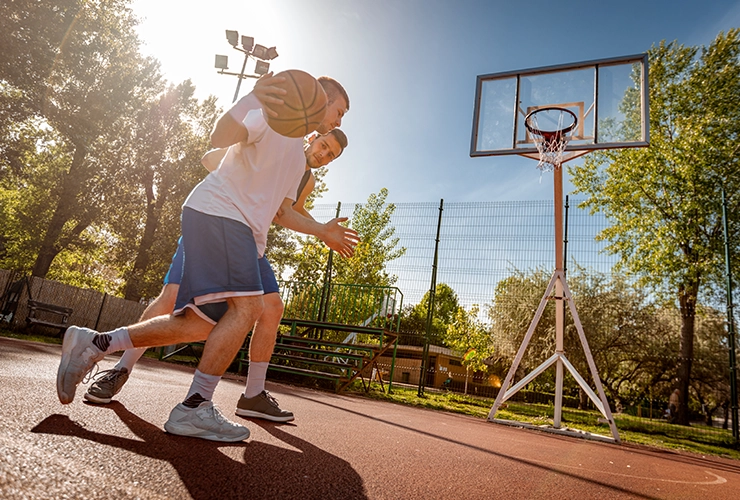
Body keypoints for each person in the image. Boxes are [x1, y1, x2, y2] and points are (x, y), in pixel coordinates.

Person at [57, 74, 356, 443]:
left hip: (239, 232)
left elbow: (283, 212)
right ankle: (194, 407)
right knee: (247, 309)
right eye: (339, 111)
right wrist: (249, 98)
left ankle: (96, 343)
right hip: (221, 215)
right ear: (317, 99)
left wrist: (322, 230)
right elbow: (218, 140)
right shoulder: (271, 119)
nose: (339, 121)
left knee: (199, 324)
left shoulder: (296, 161)